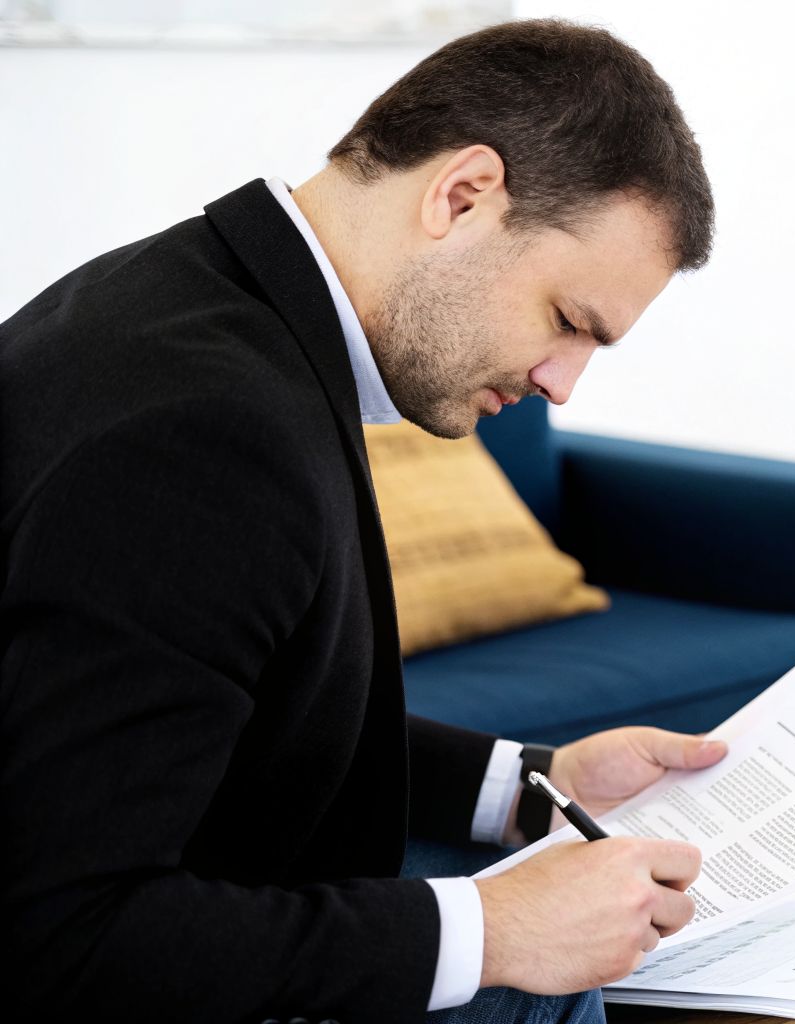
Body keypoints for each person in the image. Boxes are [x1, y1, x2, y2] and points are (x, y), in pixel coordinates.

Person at [0, 18, 721, 1023]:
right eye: (567, 319)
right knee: (542, 988)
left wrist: (534, 784)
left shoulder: (199, 303)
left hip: (212, 870)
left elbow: (231, 711)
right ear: (460, 194)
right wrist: (498, 932)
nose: (562, 384)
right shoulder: (203, 436)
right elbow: (61, 937)